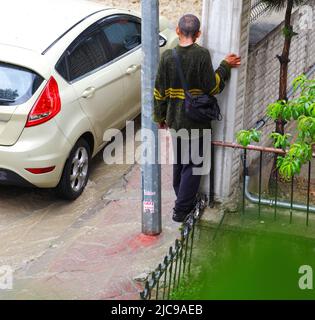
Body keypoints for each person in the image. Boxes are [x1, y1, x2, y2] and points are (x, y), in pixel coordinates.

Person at [153, 14, 241, 222]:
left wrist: (160, 117)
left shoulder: (167, 57)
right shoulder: (201, 55)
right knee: (194, 166)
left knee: (181, 164)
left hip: (175, 121)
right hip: (197, 123)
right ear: (198, 34)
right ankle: (181, 210)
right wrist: (225, 66)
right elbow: (213, 87)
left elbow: (159, 92)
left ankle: (182, 199)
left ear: (177, 31)